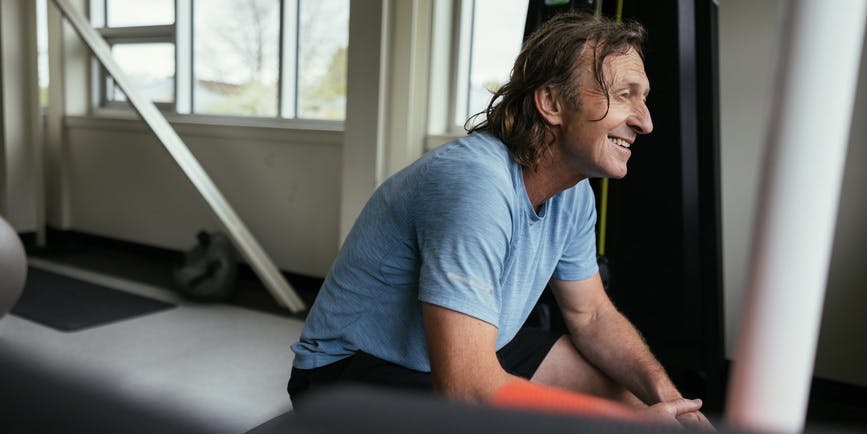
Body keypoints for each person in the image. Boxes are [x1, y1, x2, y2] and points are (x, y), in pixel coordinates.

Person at [288, 11, 713, 430]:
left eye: (644, 98)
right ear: (551, 103)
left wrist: (672, 400)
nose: (646, 121)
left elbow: (592, 317)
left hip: (475, 349)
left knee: (631, 400)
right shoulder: (475, 182)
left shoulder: (576, 194)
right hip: (349, 373)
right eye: (624, 95)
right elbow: (468, 389)